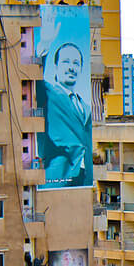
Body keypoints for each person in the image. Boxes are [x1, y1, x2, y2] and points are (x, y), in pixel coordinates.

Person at [39, 42, 92, 187]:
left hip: (82, 178)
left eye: (76, 63)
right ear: (55, 66)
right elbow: (35, 82)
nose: (71, 67)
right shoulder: (49, 94)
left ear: (81, 68)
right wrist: (44, 46)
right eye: (66, 62)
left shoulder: (86, 107)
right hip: (56, 178)